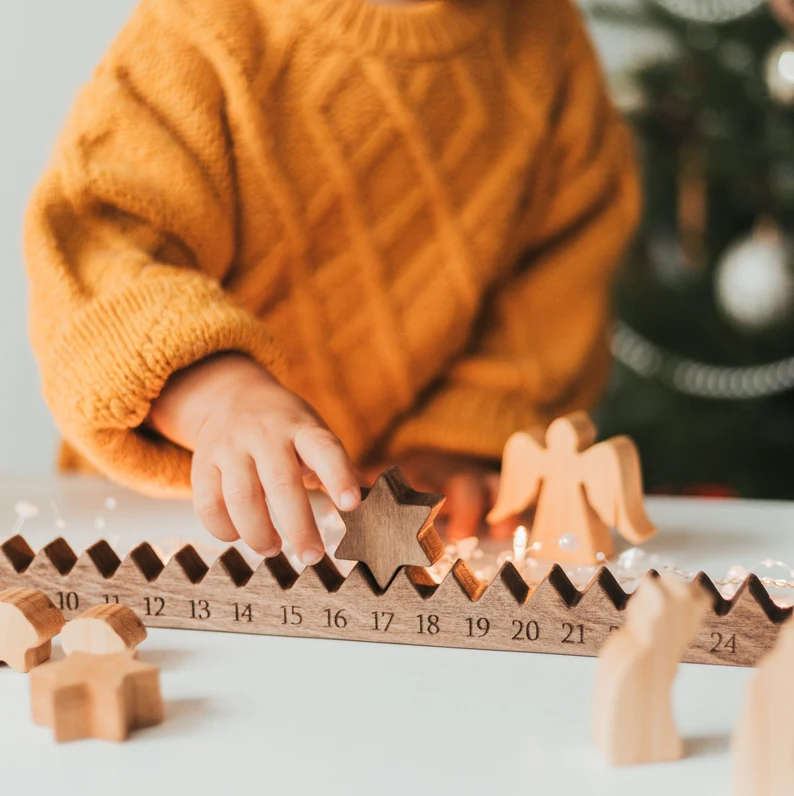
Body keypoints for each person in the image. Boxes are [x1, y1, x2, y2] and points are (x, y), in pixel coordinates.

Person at [24, 0, 640, 564]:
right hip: (160, 519)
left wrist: (461, 434)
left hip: (406, 517)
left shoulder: (547, 39)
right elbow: (98, 244)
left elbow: (561, 269)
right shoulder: (205, 25)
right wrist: (219, 400)